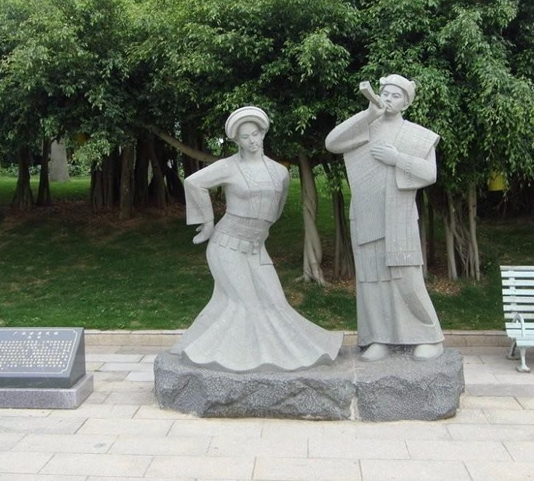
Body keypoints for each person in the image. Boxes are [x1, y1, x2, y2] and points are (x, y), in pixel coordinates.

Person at [170, 106, 343, 373]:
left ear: (263, 133)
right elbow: (193, 182)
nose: (252, 141)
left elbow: (277, 207)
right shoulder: (228, 167)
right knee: (245, 305)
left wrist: (261, 229)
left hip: (256, 248)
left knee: (275, 302)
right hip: (226, 245)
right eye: (245, 137)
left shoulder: (279, 172)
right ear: (237, 141)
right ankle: (241, 359)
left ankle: (284, 352)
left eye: (255, 134)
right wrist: (207, 222)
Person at [325, 75, 444, 361]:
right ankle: (380, 338)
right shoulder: (367, 127)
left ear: (406, 103)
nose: (389, 99)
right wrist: (368, 114)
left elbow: (429, 174)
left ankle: (429, 336)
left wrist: (397, 159)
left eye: (395, 95)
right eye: (386, 94)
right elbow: (332, 142)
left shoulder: (417, 136)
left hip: (399, 216)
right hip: (366, 213)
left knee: (407, 278)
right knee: (372, 280)